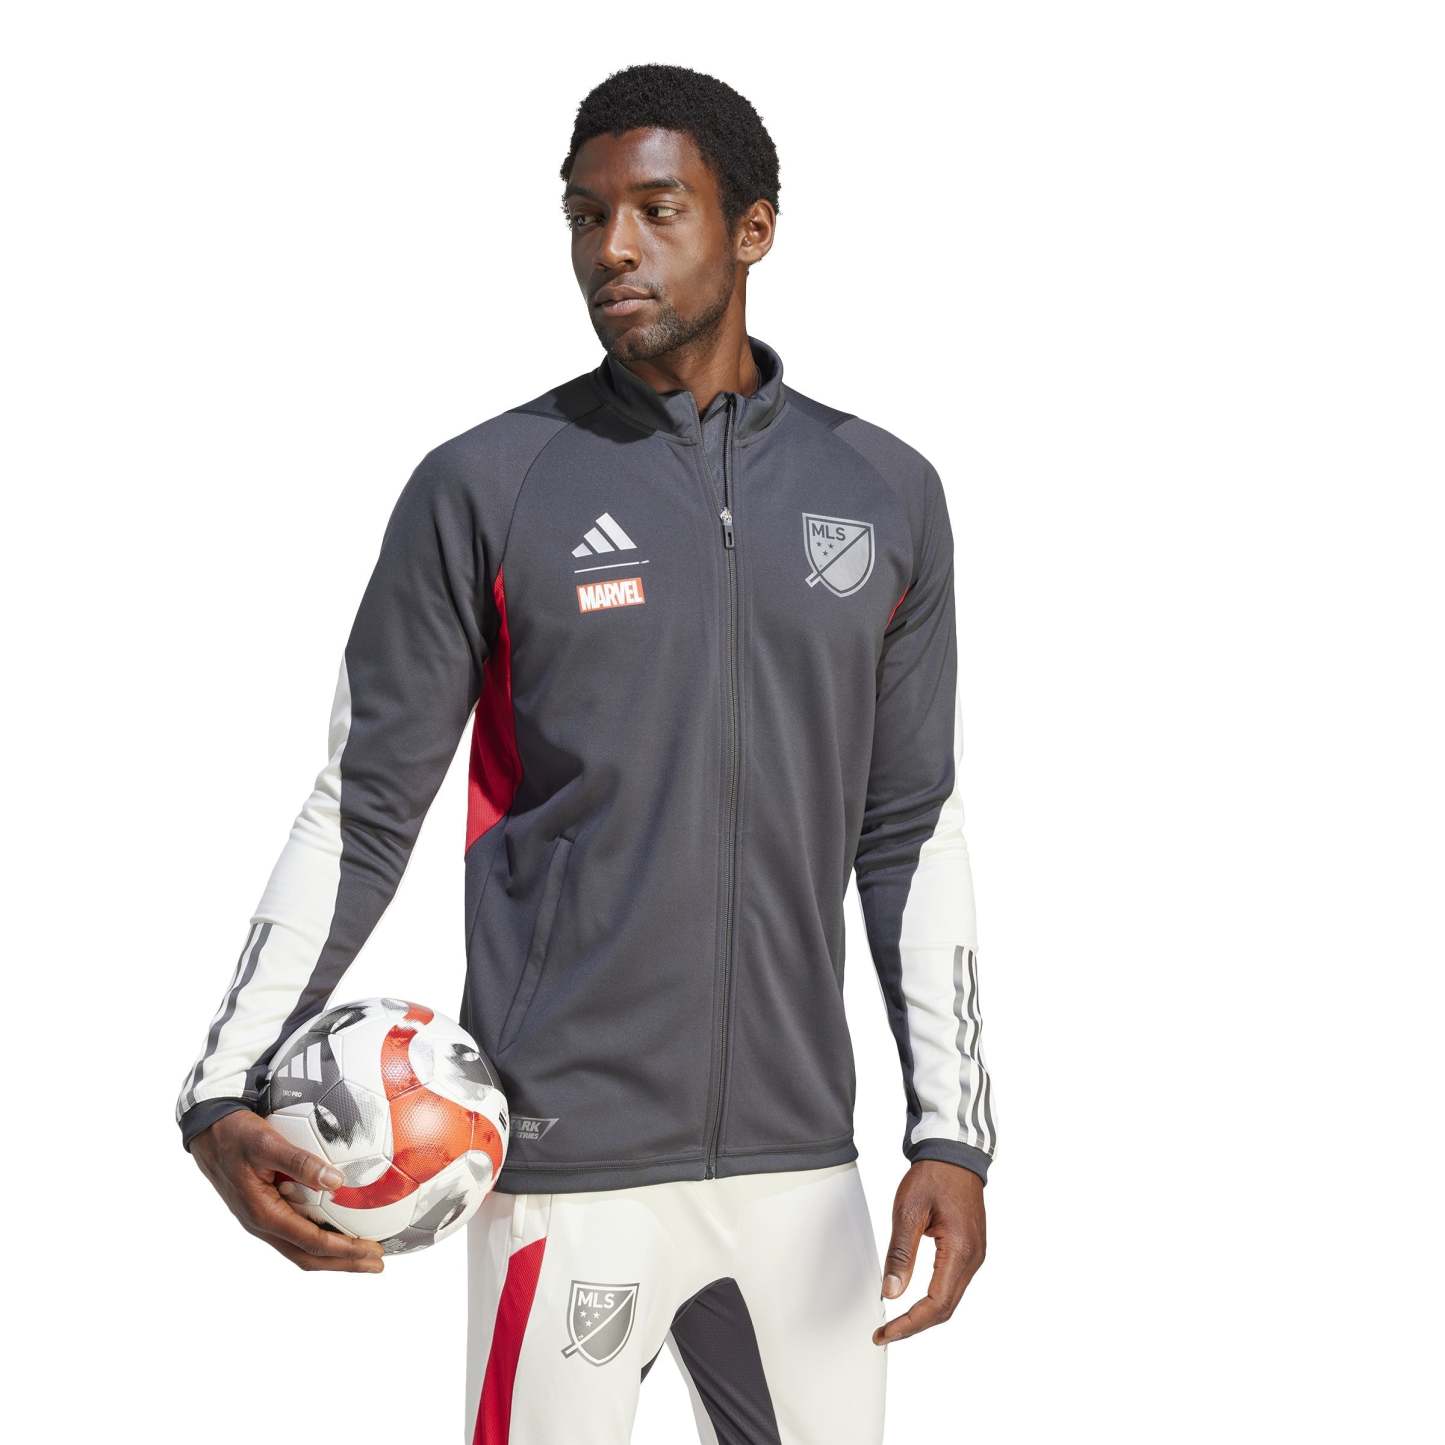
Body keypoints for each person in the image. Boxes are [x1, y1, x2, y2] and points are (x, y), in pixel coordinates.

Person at [176, 62, 996, 1443]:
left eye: (656, 210)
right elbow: (363, 808)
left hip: (800, 1169)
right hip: (559, 1167)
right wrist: (219, 1085)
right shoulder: (490, 487)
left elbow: (910, 824)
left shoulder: (884, 492)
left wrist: (951, 1132)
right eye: (584, 214)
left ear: (752, 229)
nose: (612, 247)